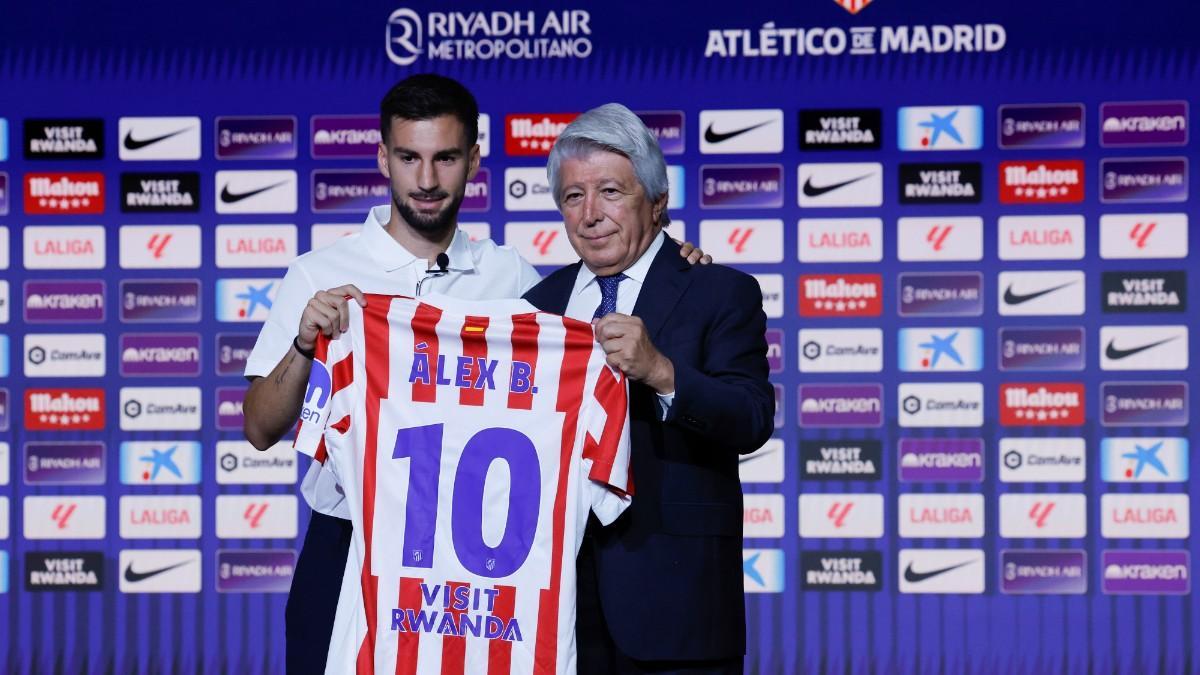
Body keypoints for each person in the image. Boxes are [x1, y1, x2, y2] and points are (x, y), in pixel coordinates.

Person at [241, 74, 707, 673]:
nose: (427, 180)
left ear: (474, 161)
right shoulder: (318, 274)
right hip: (350, 543)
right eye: (409, 158)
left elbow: (598, 322)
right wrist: (306, 345)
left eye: (446, 158)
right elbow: (258, 427)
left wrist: (671, 260)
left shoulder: (514, 278)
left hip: (478, 571)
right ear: (383, 158)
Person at [523, 104, 774, 674]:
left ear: (657, 202)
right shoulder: (537, 307)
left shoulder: (720, 292)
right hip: (555, 613)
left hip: (678, 611)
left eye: (611, 191)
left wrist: (663, 373)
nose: (590, 215)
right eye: (572, 197)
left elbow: (753, 417)